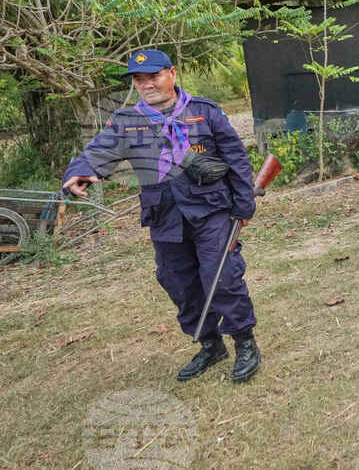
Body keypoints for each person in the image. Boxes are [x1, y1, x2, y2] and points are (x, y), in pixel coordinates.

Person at [62, 49, 262, 383]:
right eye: (138, 79)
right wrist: (82, 171)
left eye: (152, 76)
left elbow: (237, 158)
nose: (146, 84)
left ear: (171, 73)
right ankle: (211, 344)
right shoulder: (127, 122)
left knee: (222, 277)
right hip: (165, 216)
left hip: (211, 210)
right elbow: (99, 149)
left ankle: (244, 342)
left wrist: (244, 204)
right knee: (179, 284)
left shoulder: (204, 112)